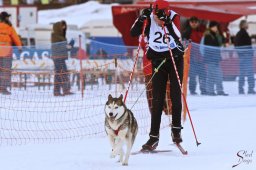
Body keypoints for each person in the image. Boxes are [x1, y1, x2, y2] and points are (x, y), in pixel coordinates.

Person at [130, 0, 185, 151]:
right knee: (157, 99)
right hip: (158, 61)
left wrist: (167, 23)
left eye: (163, 16)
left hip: (174, 59)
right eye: (158, 17)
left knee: (175, 95)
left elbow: (178, 35)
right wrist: (142, 18)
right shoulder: (148, 16)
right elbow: (133, 33)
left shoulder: (173, 17)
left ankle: (176, 131)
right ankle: (153, 137)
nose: (160, 20)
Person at [182, 16, 207, 95]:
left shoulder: (202, 31)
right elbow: (184, 44)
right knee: (192, 75)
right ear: (189, 23)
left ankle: (203, 89)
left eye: (195, 22)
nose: (194, 24)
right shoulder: (186, 32)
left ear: (198, 23)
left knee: (203, 74)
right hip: (191, 57)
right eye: (192, 22)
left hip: (201, 57)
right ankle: (192, 90)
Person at [203, 21, 228, 96]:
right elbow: (212, 46)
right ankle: (218, 90)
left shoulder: (217, 34)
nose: (216, 28)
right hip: (211, 59)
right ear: (211, 27)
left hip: (215, 58)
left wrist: (221, 34)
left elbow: (223, 41)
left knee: (211, 75)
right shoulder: (208, 36)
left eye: (216, 26)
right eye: (214, 26)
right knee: (218, 75)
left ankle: (210, 91)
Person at [0, 11, 22, 95]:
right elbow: (15, 37)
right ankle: (3, 88)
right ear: (6, 18)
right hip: (7, 52)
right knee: (6, 70)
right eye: (8, 17)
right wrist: (19, 47)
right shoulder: (9, 27)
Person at [51, 20, 74, 96]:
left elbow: (66, 48)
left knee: (62, 73)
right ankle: (60, 90)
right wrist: (68, 46)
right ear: (58, 27)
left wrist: (70, 45)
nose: (64, 27)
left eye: (64, 26)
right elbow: (58, 47)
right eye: (62, 26)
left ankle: (64, 90)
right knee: (60, 73)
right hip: (57, 57)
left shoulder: (62, 36)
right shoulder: (55, 36)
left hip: (62, 57)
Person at [235, 20, 255, 94]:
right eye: (246, 24)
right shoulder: (243, 33)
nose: (248, 25)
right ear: (243, 25)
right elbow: (245, 45)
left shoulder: (239, 34)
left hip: (242, 56)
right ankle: (250, 89)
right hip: (246, 56)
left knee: (242, 73)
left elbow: (236, 45)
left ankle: (241, 89)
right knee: (250, 73)